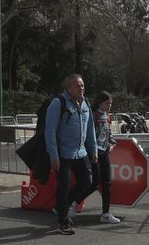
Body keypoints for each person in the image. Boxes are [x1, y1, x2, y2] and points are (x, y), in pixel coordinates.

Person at [43, 73, 98, 235]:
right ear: (68, 87)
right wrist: (53, 155)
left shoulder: (85, 103)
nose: (81, 88)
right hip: (63, 154)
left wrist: (93, 149)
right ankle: (63, 221)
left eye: (82, 85)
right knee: (63, 187)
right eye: (77, 85)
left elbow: (90, 129)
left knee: (87, 181)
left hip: (81, 152)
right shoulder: (58, 103)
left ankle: (62, 206)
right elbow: (50, 131)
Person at [74, 91, 121, 225]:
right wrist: (91, 150)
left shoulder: (107, 116)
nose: (109, 106)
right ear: (100, 102)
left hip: (104, 153)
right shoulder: (91, 114)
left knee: (107, 183)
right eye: (107, 103)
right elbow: (87, 134)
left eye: (110, 103)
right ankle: (74, 202)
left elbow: (108, 133)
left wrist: (112, 143)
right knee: (94, 182)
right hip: (93, 153)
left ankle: (105, 213)